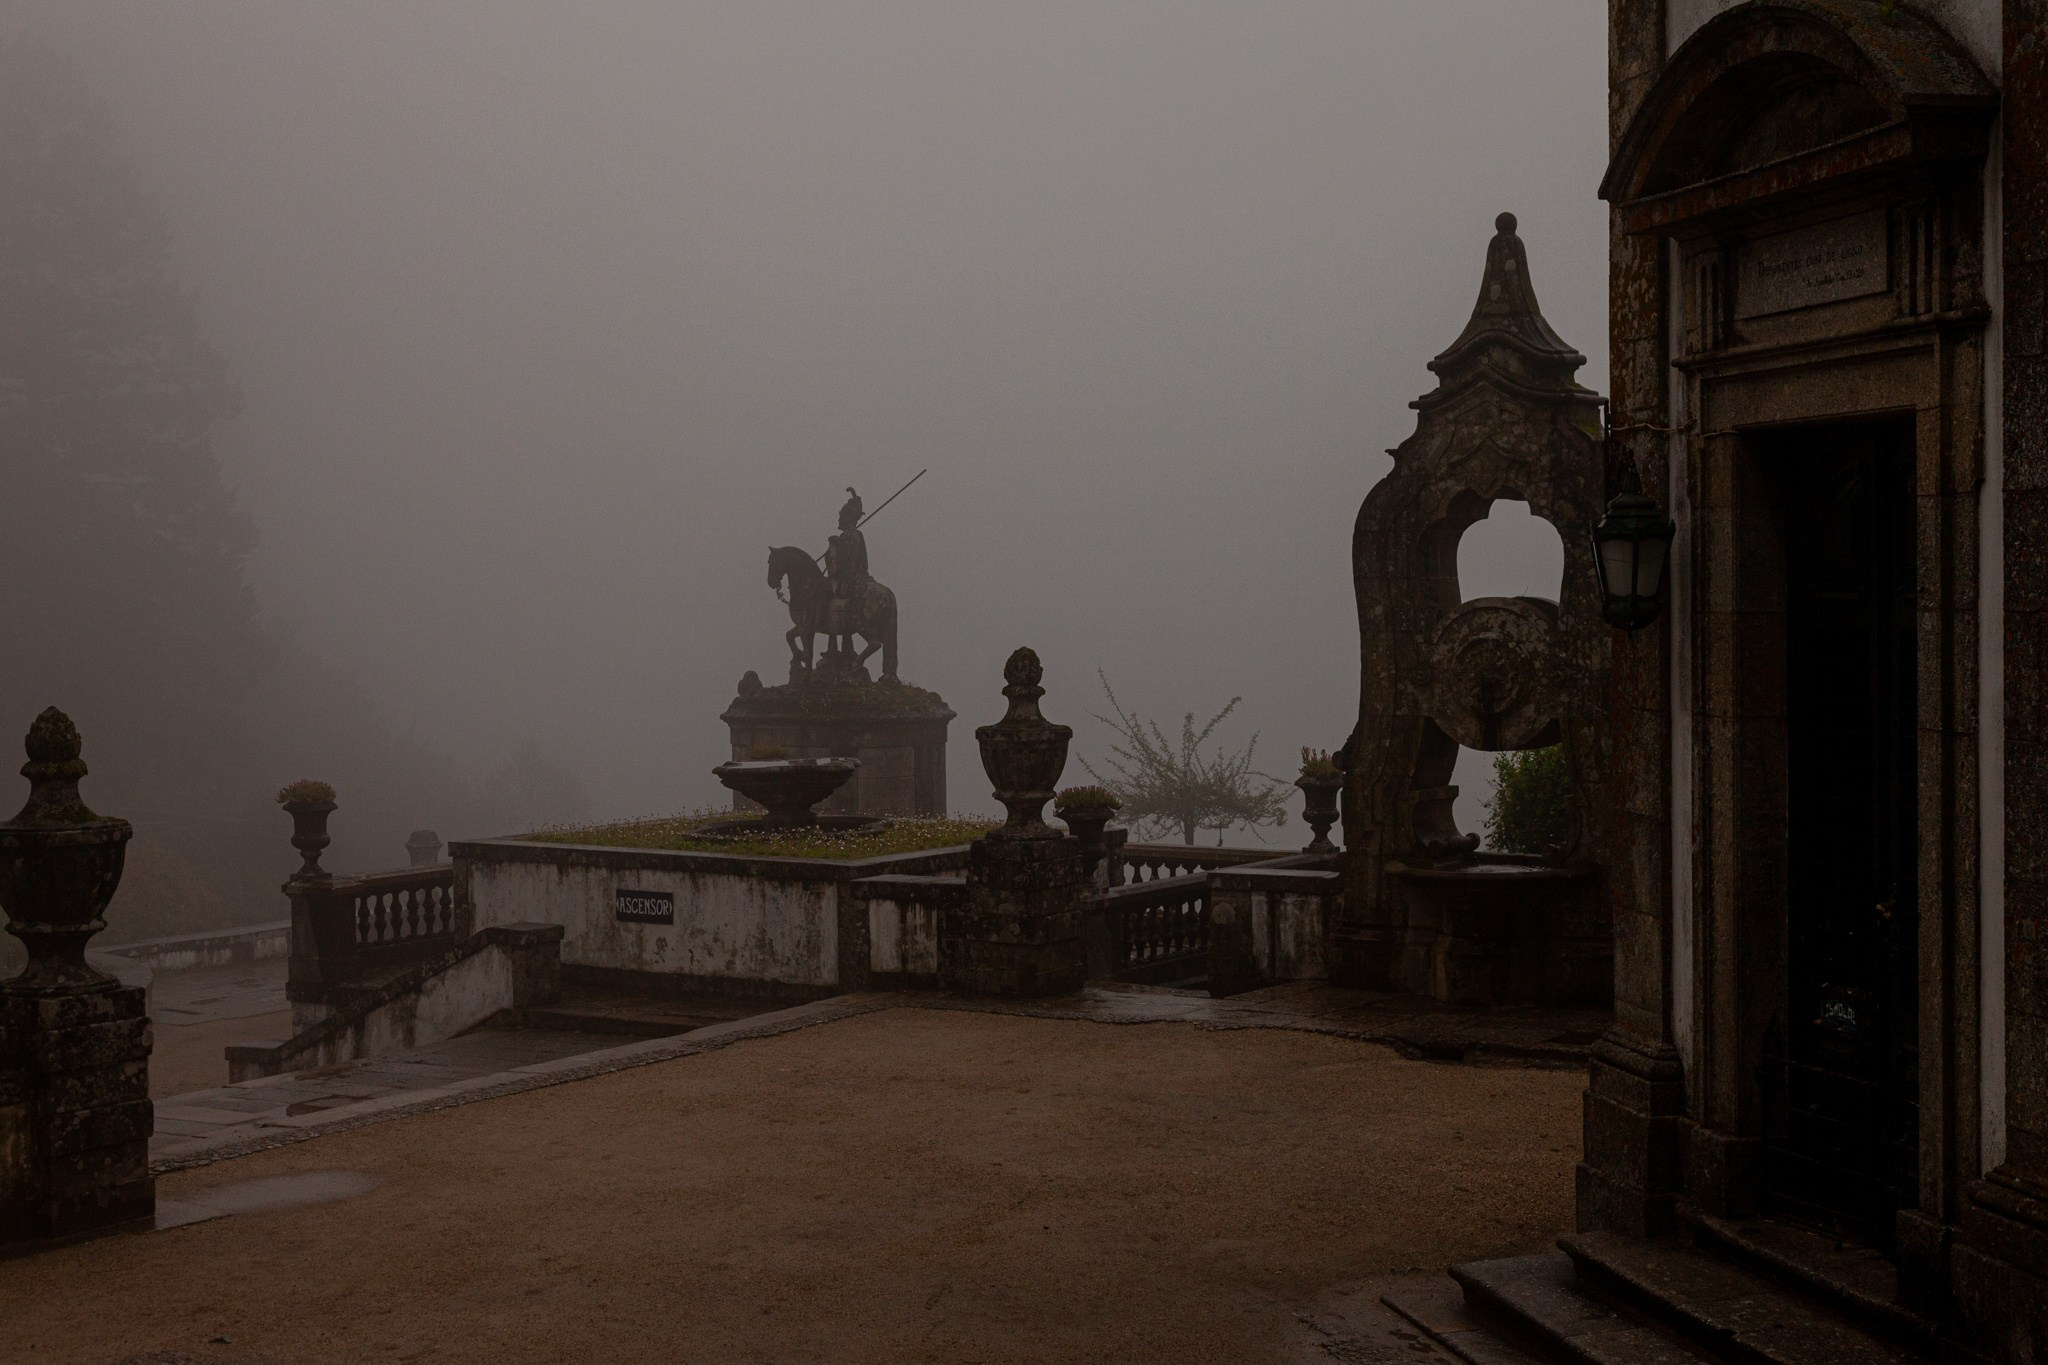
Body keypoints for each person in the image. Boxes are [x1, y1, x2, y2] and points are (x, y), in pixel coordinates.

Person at [823, 487, 868, 649]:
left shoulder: (847, 536)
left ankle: (830, 637)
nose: (838, 520)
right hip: (859, 577)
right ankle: (844, 643)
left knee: (822, 594)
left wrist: (833, 547)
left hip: (848, 579)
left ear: (847, 518)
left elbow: (840, 564)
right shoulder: (857, 534)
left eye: (840, 516)